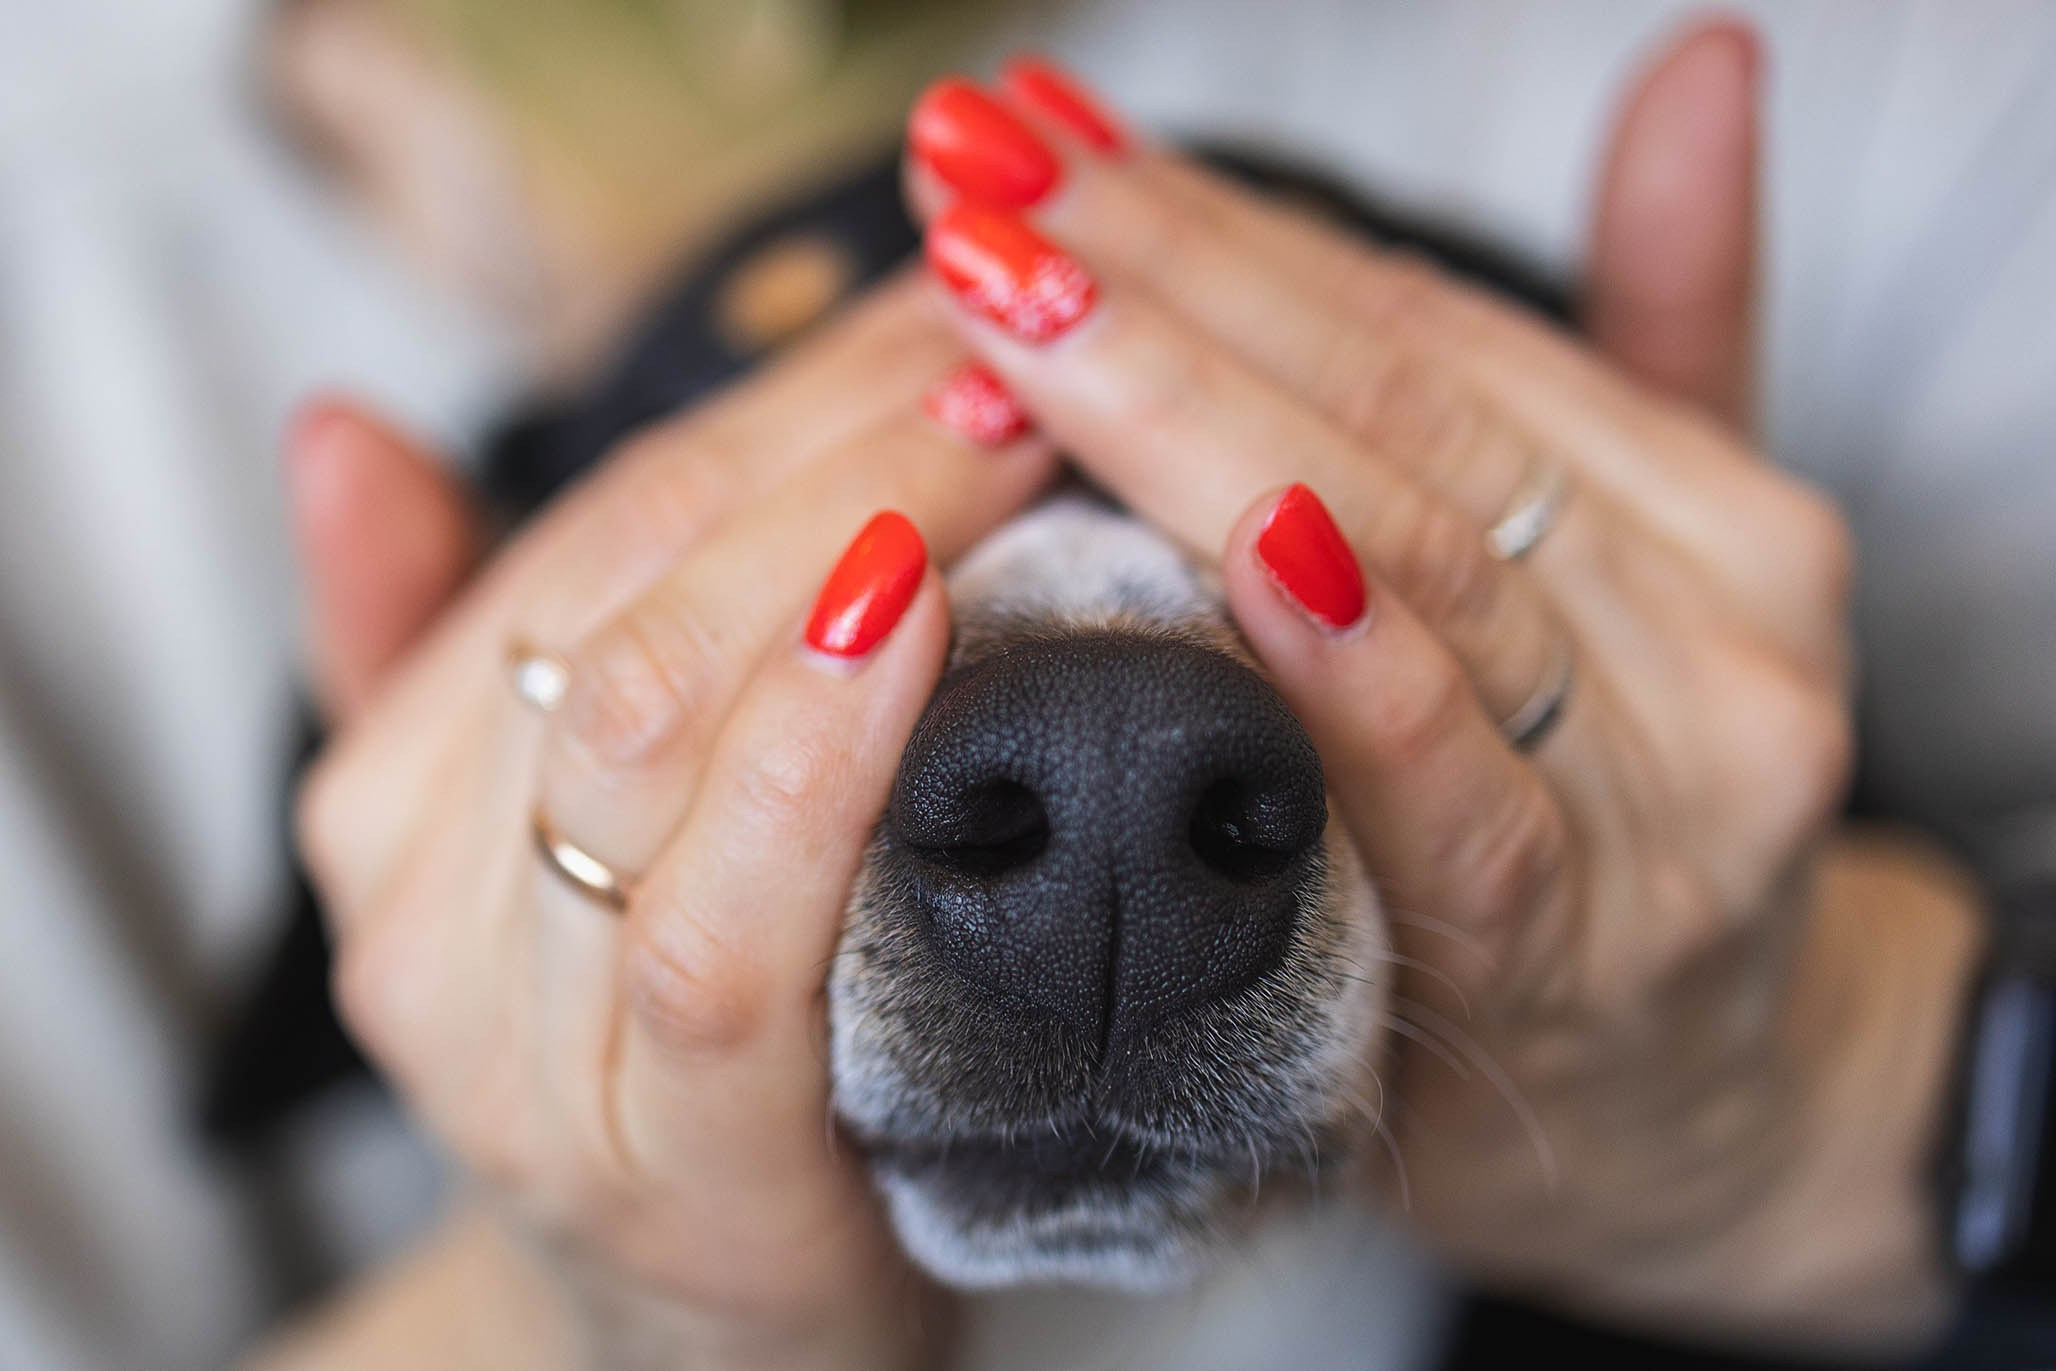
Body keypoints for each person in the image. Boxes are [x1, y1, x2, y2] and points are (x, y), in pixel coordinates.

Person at [2, 3, 2052, 1369]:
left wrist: (1855, 1069)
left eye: (1317, 411)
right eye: (755, 403)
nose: (1092, 788)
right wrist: (572, 1308)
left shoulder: (1913, 89)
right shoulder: (61, 253)